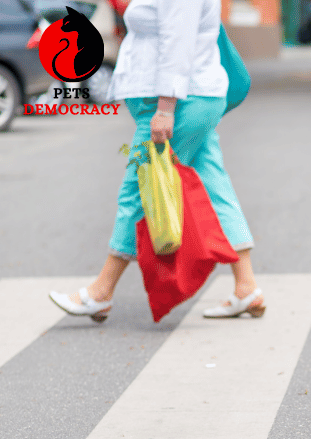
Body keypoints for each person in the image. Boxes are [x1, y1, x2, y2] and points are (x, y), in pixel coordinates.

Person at [49, 0, 264, 322]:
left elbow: (177, 42)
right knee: (213, 185)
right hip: (188, 100)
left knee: (137, 189)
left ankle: (101, 292)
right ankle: (246, 287)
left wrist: (165, 108)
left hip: (181, 103)